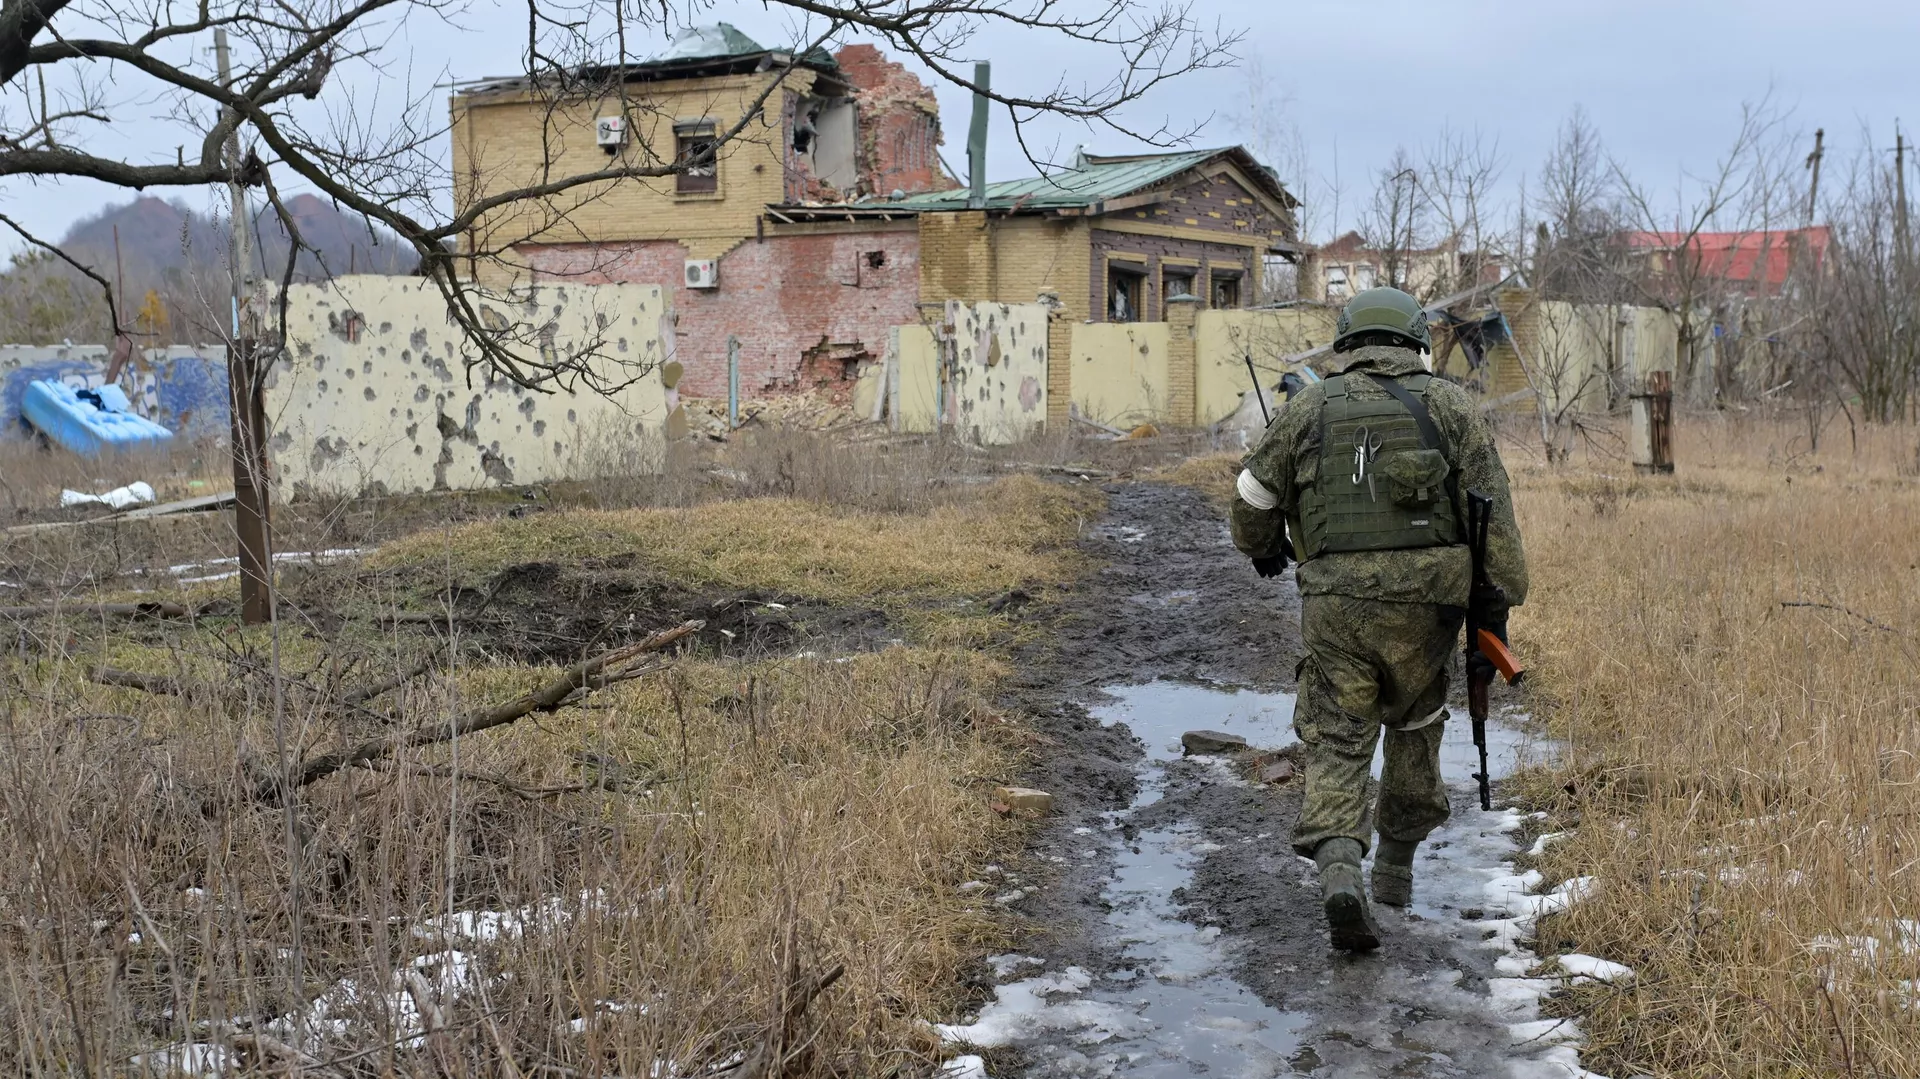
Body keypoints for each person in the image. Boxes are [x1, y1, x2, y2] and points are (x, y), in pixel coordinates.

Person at [1229, 286, 1528, 952]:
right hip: (1429, 611)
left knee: (1337, 737)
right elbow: (1497, 531)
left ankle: (1340, 865)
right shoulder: (1453, 407)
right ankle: (1394, 868)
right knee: (1417, 724)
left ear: (1348, 342)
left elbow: (1250, 498)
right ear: (1416, 341)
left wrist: (1265, 547)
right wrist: (1496, 617)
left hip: (1338, 610)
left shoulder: (1307, 407)